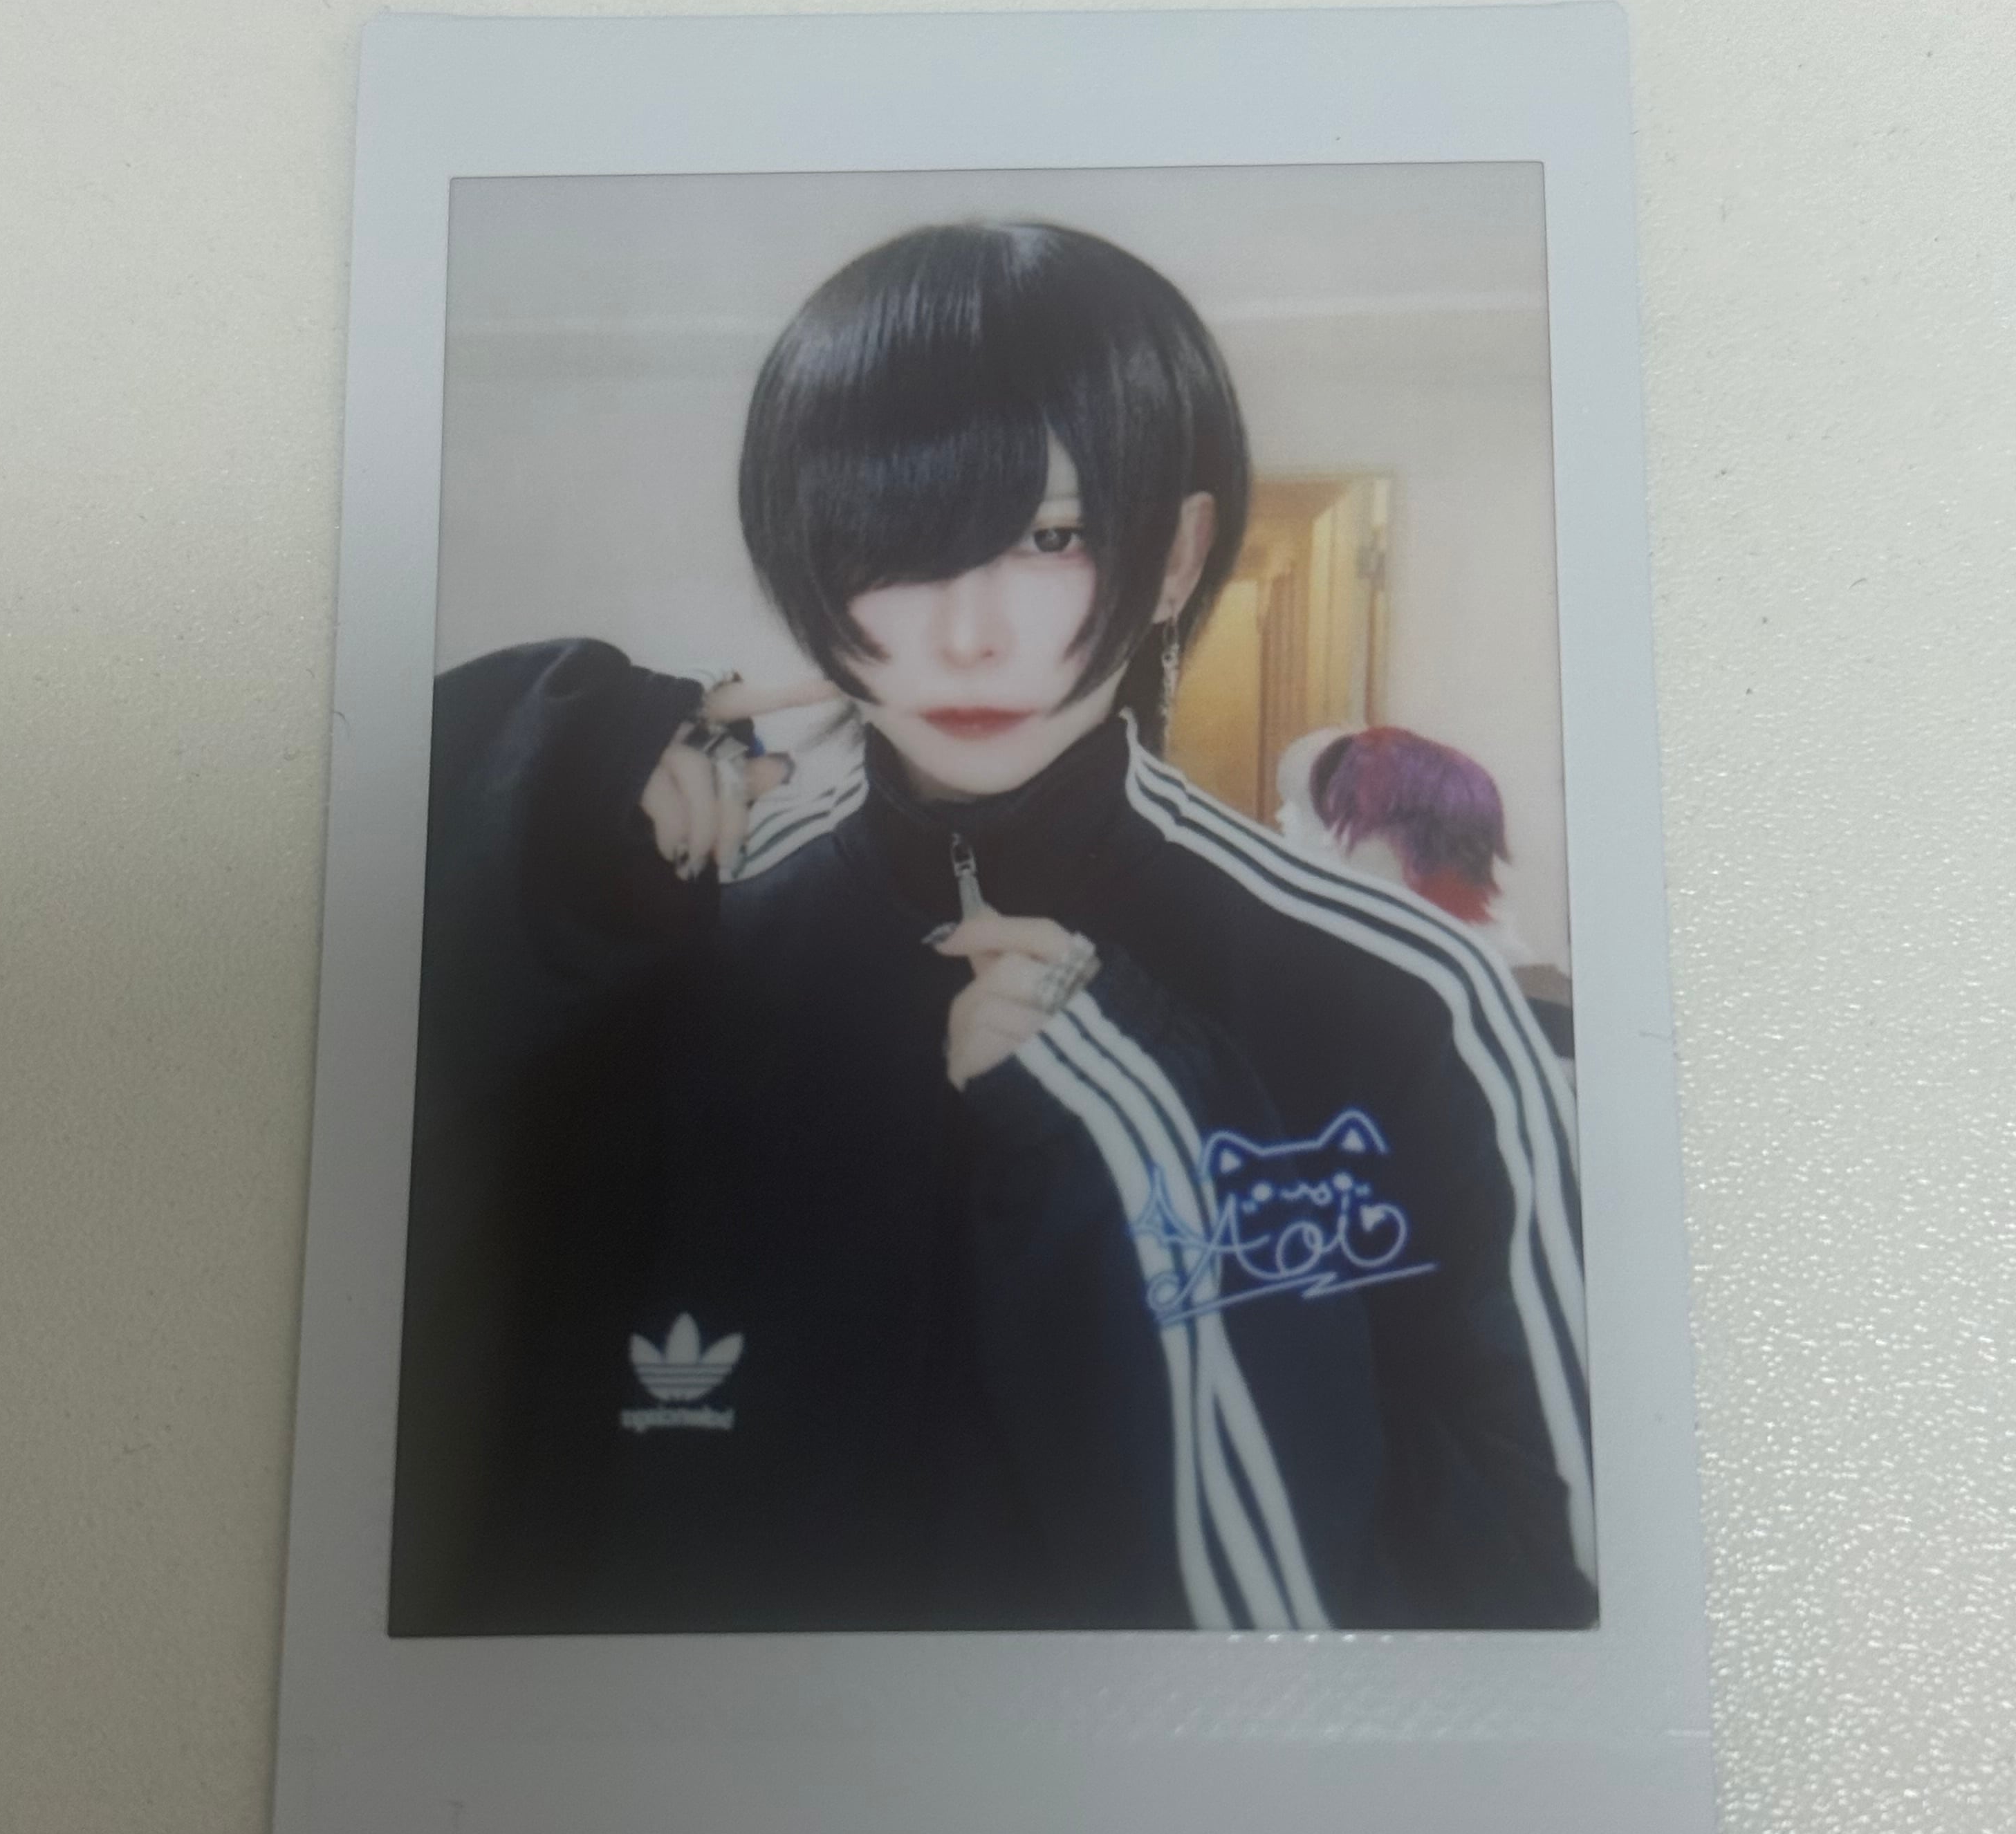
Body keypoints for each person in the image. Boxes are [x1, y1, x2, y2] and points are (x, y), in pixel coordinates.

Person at [391, 221, 1594, 1638]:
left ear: (1173, 557)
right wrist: (532, 814)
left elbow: (1549, 1570)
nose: (967, 633)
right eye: (892, 542)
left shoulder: (1400, 994)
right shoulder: (670, 941)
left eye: (1050, 537)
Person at [1276, 725, 1577, 1062]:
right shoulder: (1338, 980)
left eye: (1326, 818)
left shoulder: (1526, 1006)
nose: (1284, 821)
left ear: (1406, 840)